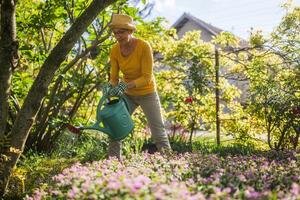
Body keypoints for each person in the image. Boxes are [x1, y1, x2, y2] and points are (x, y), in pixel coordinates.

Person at [105, 14, 171, 159]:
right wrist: (110, 88)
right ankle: (112, 165)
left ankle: (171, 164)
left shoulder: (143, 46)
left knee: (158, 131)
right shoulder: (115, 50)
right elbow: (114, 78)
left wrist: (126, 85)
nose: (118, 36)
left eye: (121, 32)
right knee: (115, 128)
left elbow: (147, 77)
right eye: (115, 33)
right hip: (128, 95)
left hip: (147, 93)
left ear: (130, 31)